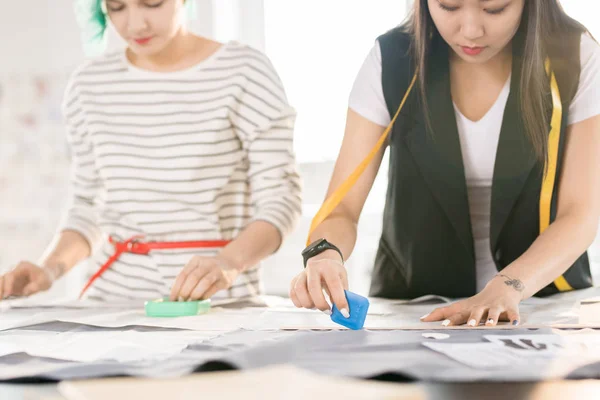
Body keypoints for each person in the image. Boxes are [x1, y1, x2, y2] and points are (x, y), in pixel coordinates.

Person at [292, 0, 600, 327]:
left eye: (494, 9)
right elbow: (342, 208)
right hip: (416, 306)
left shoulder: (576, 54)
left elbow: (579, 214)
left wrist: (507, 286)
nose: (470, 30)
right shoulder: (391, 59)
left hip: (543, 303)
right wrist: (324, 254)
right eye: (448, 6)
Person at [0, 0, 302, 302]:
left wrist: (229, 262)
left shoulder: (244, 72)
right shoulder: (89, 86)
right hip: (110, 307)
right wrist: (48, 269)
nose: (135, 25)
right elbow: (88, 209)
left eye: (152, 3)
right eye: (117, 7)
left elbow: (281, 200)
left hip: (217, 306)